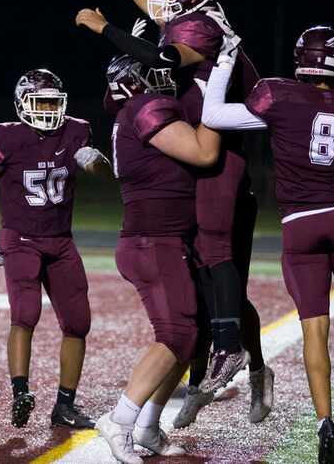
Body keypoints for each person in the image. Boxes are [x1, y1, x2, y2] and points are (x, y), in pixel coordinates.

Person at [201, 26, 334, 463]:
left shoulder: (278, 96)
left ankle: (326, 425)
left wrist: (224, 61)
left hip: (299, 226)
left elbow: (214, 117)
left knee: (313, 329)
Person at [79, 0, 272, 428]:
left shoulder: (202, 26)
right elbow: (156, 8)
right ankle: (223, 367)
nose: (163, 0)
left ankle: (235, 355)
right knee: (206, 278)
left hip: (220, 152)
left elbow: (164, 59)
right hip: (207, 150)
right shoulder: (193, 17)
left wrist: (106, 29)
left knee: (214, 256)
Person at [90, 53, 221, 464]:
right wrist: (215, 98)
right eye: (155, 70)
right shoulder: (145, 106)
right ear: (135, 80)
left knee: (194, 336)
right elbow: (204, 153)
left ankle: (147, 426)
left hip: (161, 238)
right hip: (153, 240)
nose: (167, 76)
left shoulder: (133, 110)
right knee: (177, 334)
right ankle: (120, 419)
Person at [0, 69, 109, 430]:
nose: (47, 110)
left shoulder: (76, 131)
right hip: (22, 239)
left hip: (60, 240)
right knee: (25, 314)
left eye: (52, 102)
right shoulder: (5, 137)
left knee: (78, 322)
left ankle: (64, 405)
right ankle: (20, 394)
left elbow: (105, 174)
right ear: (21, 104)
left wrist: (98, 162)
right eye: (39, 102)